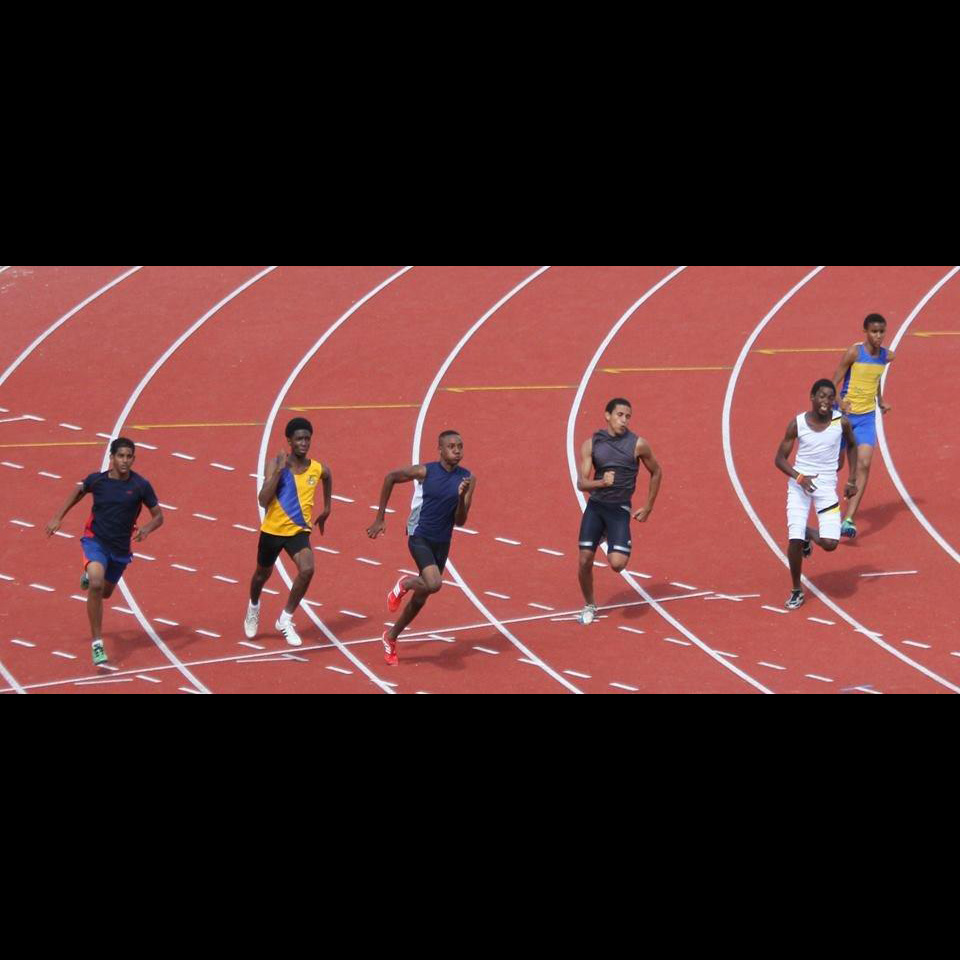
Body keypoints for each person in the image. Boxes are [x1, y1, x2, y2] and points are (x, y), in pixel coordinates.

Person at [45, 437, 164, 666]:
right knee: (97, 584)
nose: (125, 461)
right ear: (112, 457)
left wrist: (147, 529)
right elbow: (78, 492)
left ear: (133, 459)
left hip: (120, 549)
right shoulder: (98, 480)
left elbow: (158, 516)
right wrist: (57, 517)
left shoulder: (140, 486)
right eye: (120, 456)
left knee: (105, 593)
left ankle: (89, 575)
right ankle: (97, 643)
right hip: (95, 541)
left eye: (129, 457)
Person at [367, 430, 475, 665]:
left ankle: (390, 637)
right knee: (434, 583)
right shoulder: (425, 472)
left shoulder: (467, 478)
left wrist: (461, 497)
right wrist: (380, 517)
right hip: (419, 535)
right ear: (440, 450)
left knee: (421, 597)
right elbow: (390, 477)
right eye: (451, 446)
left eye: (460, 446)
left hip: (442, 541)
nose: (457, 450)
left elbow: (460, 521)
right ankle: (405, 583)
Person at [246, 417, 331, 647]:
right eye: (299, 439)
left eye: (307, 439)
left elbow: (327, 476)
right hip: (272, 531)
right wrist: (278, 472)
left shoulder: (317, 468)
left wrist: (327, 508)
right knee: (261, 576)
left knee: (308, 569)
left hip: (298, 532)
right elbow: (263, 500)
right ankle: (253, 606)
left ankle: (285, 618)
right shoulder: (275, 464)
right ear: (289, 441)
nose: (304, 443)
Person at [576, 398, 662, 625]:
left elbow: (656, 471)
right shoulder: (591, 444)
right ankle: (590, 604)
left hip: (619, 509)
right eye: (620, 415)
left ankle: (607, 533)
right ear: (607, 415)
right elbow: (581, 484)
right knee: (584, 560)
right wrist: (601, 483)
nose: (624, 420)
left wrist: (649, 506)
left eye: (628, 417)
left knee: (617, 564)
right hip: (596, 506)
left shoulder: (638, 445)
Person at [775, 380, 859, 610]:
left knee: (831, 543)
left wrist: (852, 479)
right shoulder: (798, 424)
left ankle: (808, 533)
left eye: (830, 398)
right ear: (812, 397)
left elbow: (852, 446)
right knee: (793, 539)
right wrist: (799, 477)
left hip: (826, 486)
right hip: (799, 486)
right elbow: (779, 459)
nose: (826, 402)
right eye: (822, 396)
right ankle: (796, 590)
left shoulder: (841, 423)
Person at [832, 314, 895, 539]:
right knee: (837, 464)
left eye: (881, 332)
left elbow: (874, 379)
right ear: (865, 332)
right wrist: (840, 402)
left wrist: (880, 400)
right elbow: (834, 382)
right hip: (844, 417)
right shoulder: (854, 353)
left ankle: (848, 519)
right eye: (874, 332)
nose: (878, 336)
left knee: (865, 464)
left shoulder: (886, 356)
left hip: (867, 418)